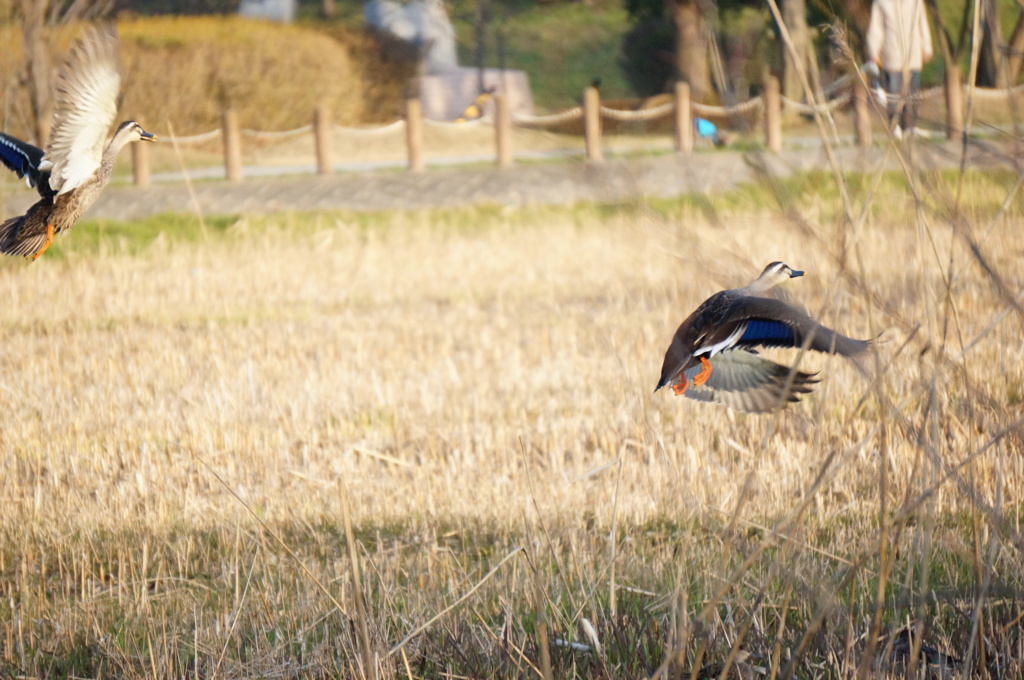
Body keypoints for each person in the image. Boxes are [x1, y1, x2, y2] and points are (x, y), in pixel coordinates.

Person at [865, 0, 933, 138]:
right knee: (894, 94)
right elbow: (876, 29)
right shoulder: (881, 3)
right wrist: (873, 52)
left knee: (912, 93)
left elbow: (922, 24)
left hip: (912, 55)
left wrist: (927, 46)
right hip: (892, 55)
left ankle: (910, 126)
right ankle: (894, 126)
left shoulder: (916, 2)